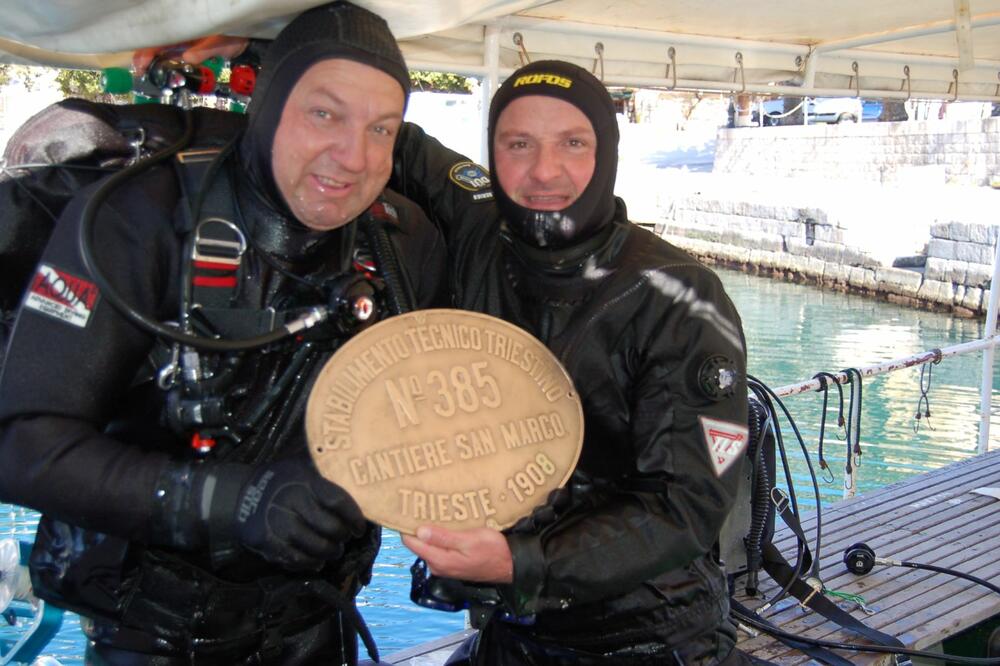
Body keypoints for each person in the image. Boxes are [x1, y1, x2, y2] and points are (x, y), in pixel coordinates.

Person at [0, 2, 444, 664]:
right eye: (324, 114)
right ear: (267, 109)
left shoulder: (402, 241)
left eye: (382, 128)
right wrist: (231, 502)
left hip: (315, 623)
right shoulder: (140, 216)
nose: (355, 157)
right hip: (151, 635)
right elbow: (20, 445)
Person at [391, 60, 752, 665]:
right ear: (494, 152)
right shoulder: (483, 229)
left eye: (573, 143)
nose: (543, 171)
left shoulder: (679, 297)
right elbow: (391, 136)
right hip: (518, 626)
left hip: (650, 632)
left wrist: (521, 561)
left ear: (606, 152)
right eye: (518, 143)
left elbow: (686, 504)